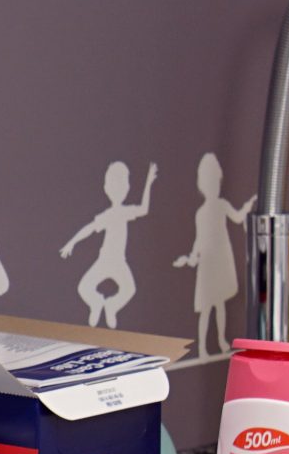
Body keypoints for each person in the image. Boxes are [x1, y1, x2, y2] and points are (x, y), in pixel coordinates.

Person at [61, 161, 161, 328]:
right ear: (107, 187)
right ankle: (96, 303)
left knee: (129, 289)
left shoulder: (125, 212)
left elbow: (144, 209)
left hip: (119, 262)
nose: (118, 188)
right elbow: (90, 229)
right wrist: (72, 242)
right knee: (84, 287)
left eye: (122, 183)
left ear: (127, 187)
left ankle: (112, 306)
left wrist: (149, 183)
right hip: (104, 260)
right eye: (113, 184)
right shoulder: (107, 215)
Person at [173, 153, 254, 357]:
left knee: (220, 304)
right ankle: (202, 347)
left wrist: (247, 208)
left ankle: (220, 339)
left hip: (220, 259)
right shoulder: (201, 213)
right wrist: (192, 257)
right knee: (207, 307)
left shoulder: (221, 204)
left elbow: (236, 217)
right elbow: (199, 240)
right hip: (208, 263)